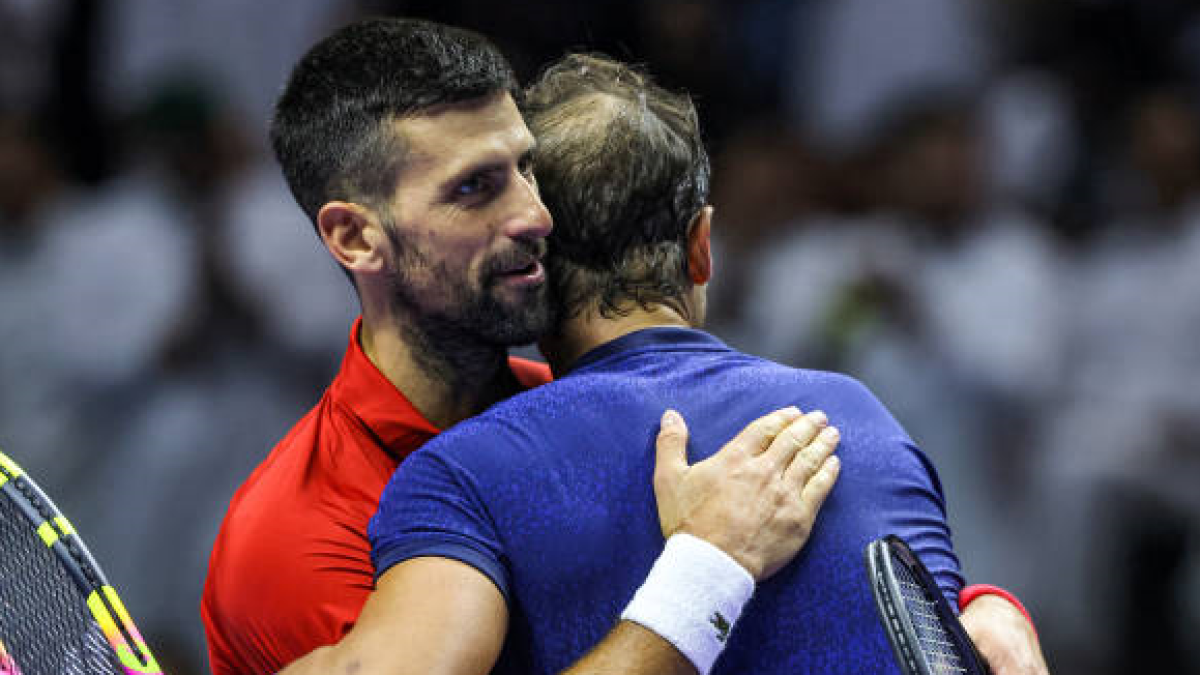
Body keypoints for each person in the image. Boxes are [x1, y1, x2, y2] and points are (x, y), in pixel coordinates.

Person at [204, 17, 1046, 675]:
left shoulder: (559, 413)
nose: (534, 216)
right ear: (355, 238)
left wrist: (977, 609)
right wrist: (707, 568)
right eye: (475, 189)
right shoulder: (291, 536)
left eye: (527, 169)